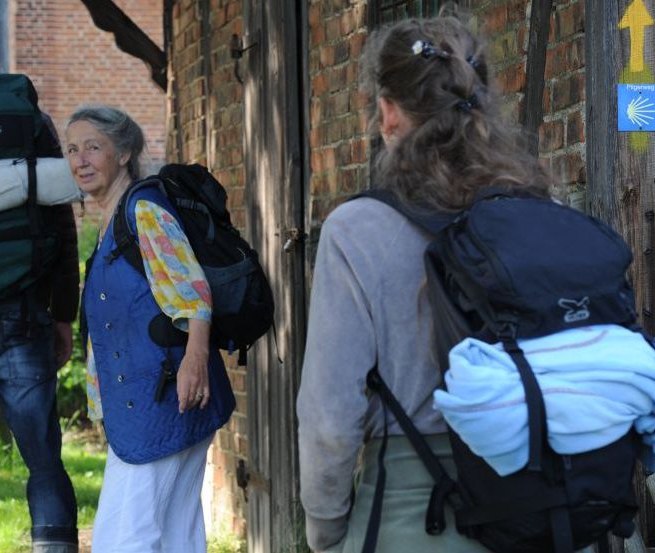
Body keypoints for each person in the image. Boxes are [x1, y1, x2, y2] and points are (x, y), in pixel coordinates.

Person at [296, 11, 565, 553]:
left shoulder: (356, 230)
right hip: (540, 502)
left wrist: (325, 529)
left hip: (415, 507)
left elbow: (330, 416)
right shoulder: (542, 210)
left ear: (389, 113)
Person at [65, 105, 235, 553]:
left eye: (92, 147)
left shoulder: (143, 211)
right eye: (72, 150)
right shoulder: (111, 221)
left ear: (123, 153)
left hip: (166, 397)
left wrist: (196, 360)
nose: (79, 160)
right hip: (151, 399)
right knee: (178, 534)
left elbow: (192, 290)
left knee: (122, 539)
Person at [0, 112, 80, 553]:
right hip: (25, 316)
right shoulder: (27, 121)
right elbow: (62, 228)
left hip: (26, 318)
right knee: (43, 459)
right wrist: (63, 315)